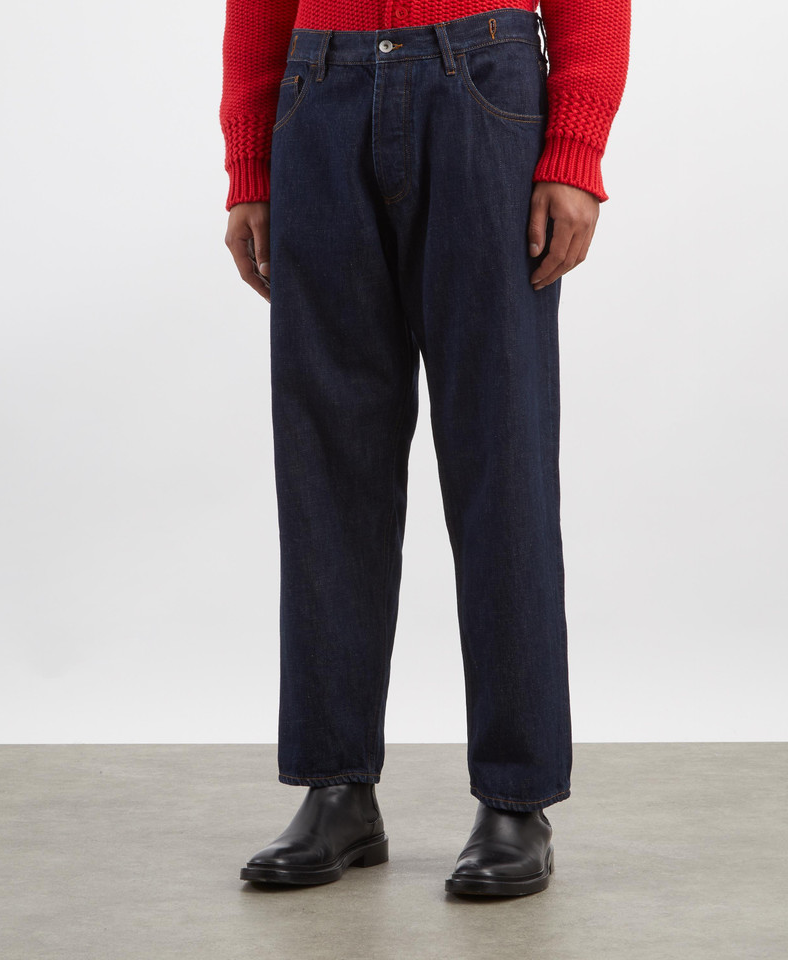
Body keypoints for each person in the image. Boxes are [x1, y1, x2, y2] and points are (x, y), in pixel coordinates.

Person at [220, 0, 630, 897]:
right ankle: (336, 789)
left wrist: (575, 149)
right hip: (317, 91)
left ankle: (517, 800)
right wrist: (249, 163)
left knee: (502, 455)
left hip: (482, 85)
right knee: (327, 463)